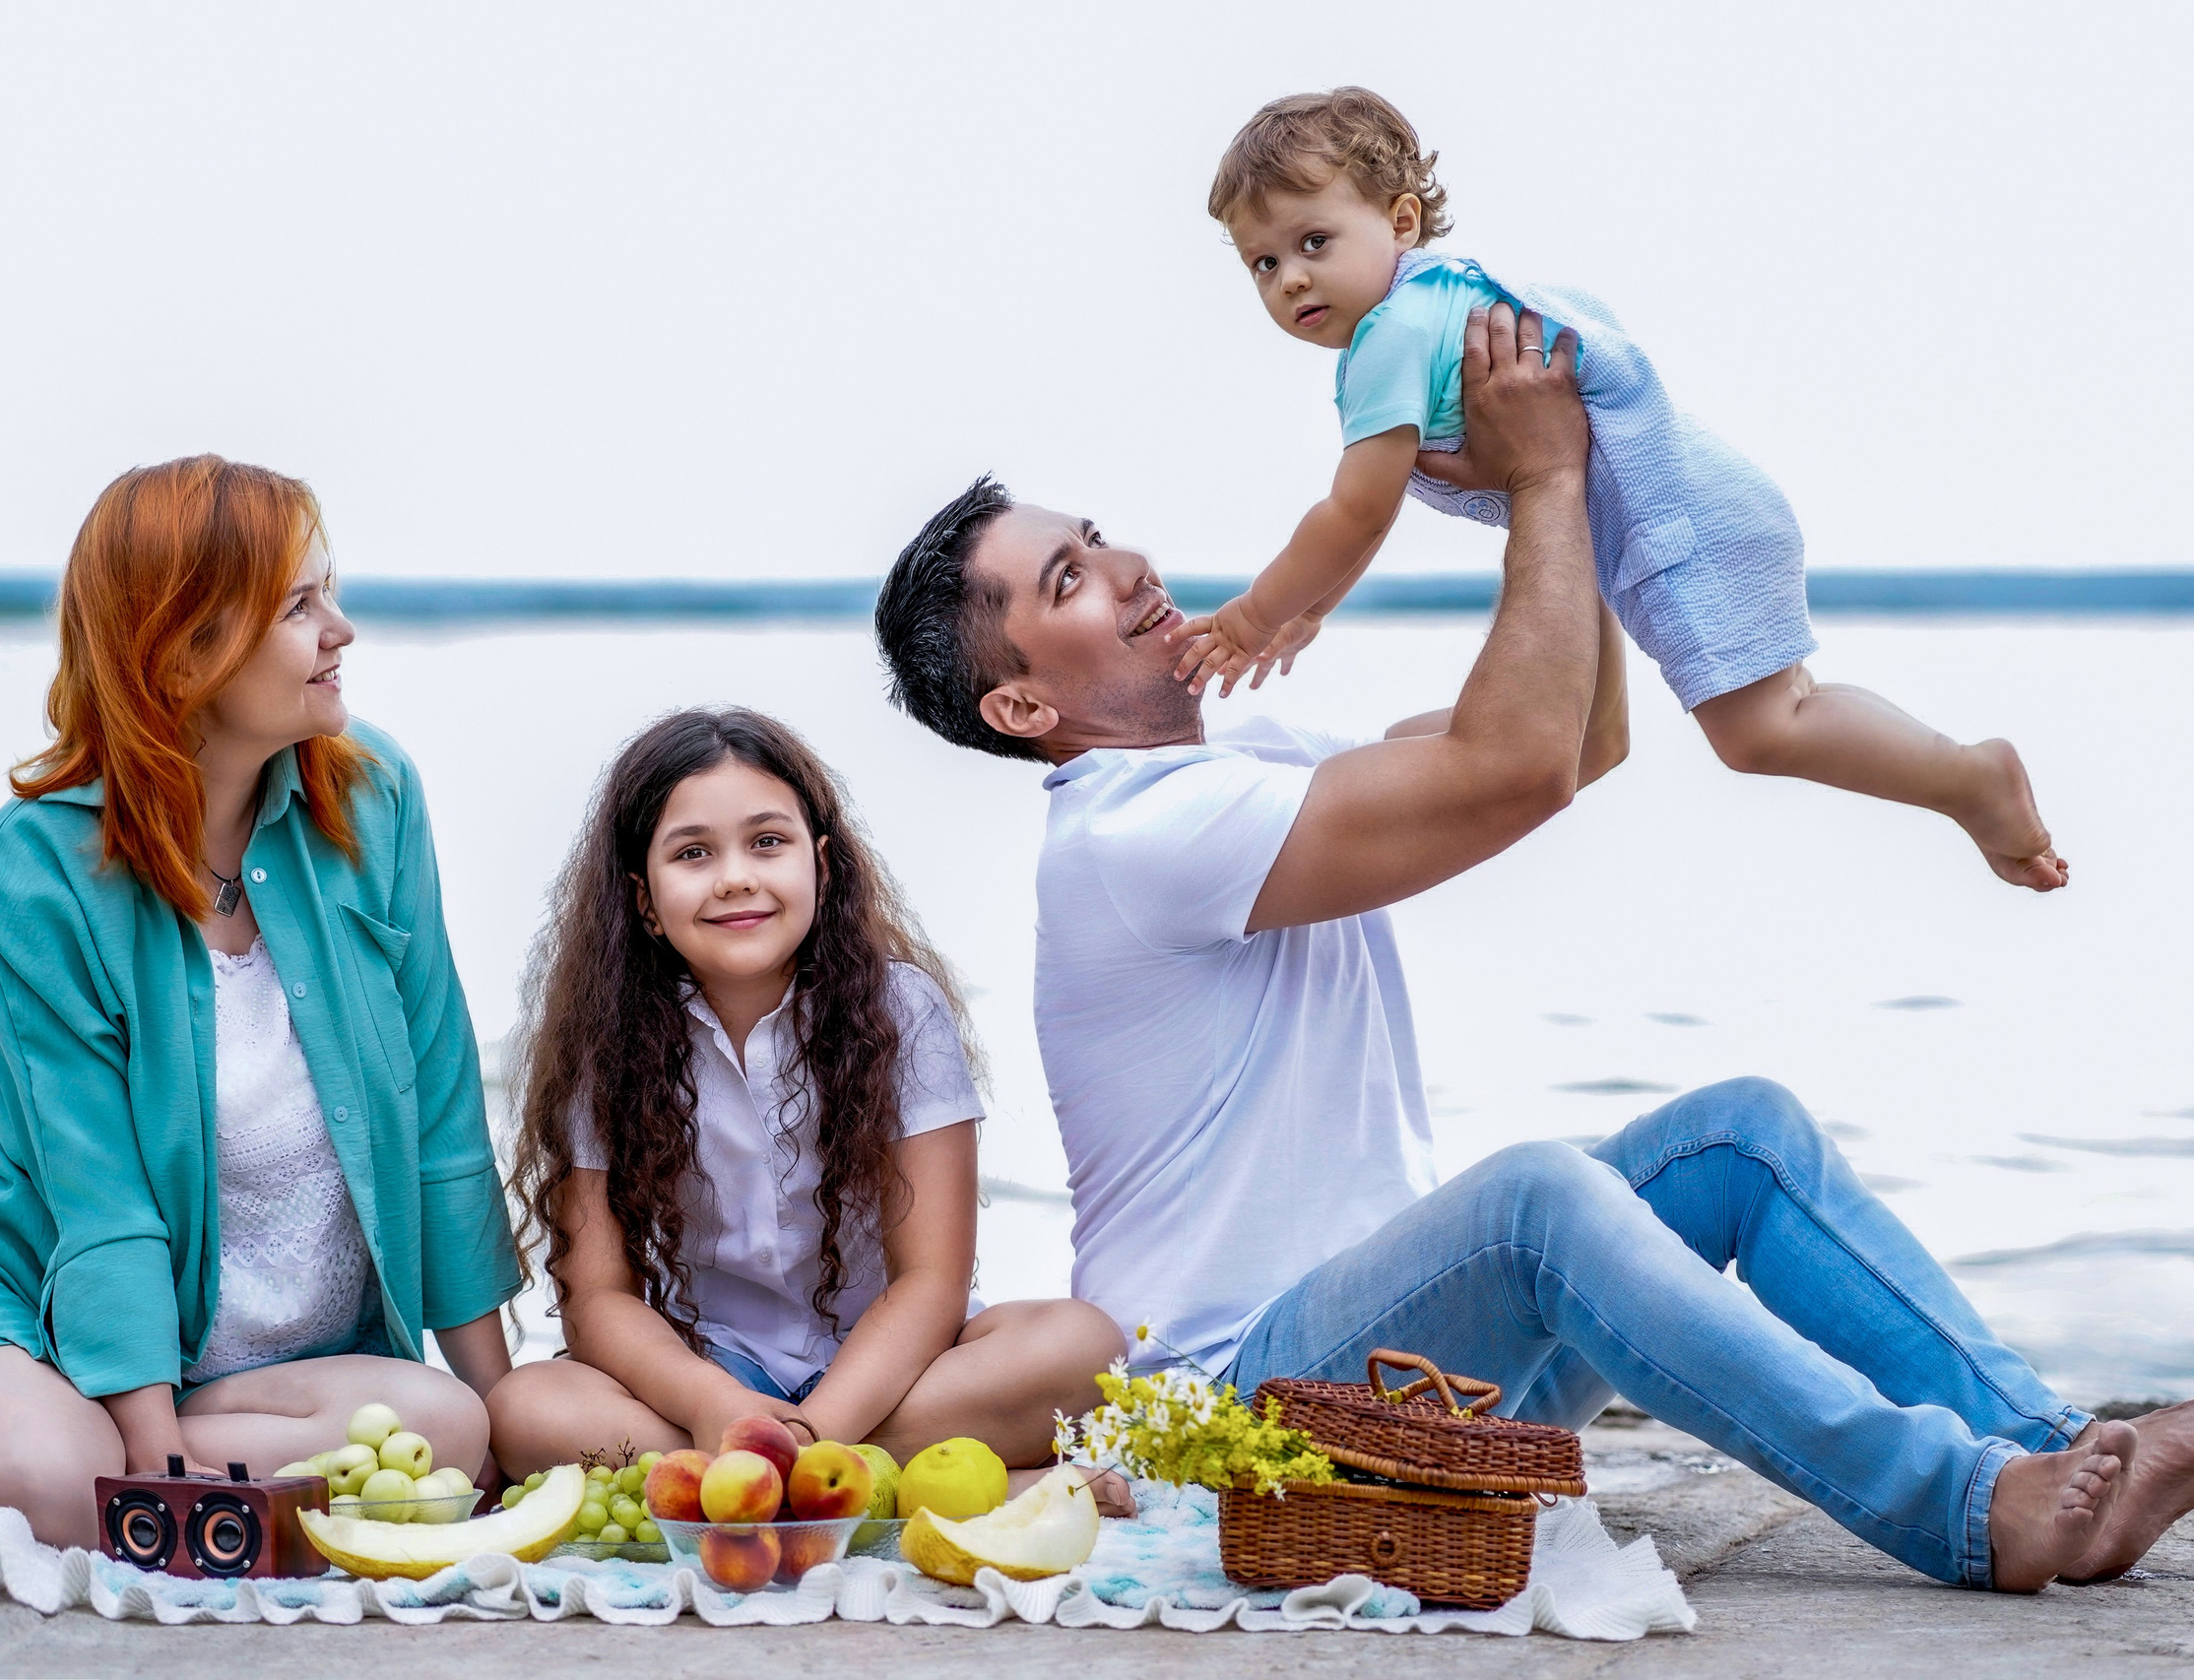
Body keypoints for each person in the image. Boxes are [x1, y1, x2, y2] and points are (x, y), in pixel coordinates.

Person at [872, 302, 2192, 1590]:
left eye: (1097, 541)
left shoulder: (1237, 765)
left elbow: (1574, 743)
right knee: (1537, 1197)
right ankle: (1967, 1508)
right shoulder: (1128, 837)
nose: (1129, 567)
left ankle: (2056, 1450)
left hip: (1418, 1375)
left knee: (1736, 1137)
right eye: (1072, 581)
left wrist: (1547, 495)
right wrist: (1545, 474)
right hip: (1247, 1409)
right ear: (1022, 699)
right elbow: (1513, 768)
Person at [0, 456, 521, 1553]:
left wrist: (504, 1413)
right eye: (301, 604)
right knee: (61, 1469)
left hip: (268, 1373)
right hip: (29, 1328)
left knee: (444, 1426)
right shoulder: (36, 867)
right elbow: (98, 1195)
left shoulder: (372, 796)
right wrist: (157, 1468)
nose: (343, 629)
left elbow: (445, 1114)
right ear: (186, 642)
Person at [1174, 86, 2065, 893]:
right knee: (1777, 709)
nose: (1290, 278)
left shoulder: (1391, 341)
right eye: (1262, 264)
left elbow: (1355, 511)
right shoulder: (1440, 297)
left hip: (1677, 530)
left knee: (1760, 733)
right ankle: (1964, 774)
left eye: (1313, 242)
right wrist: (1315, 607)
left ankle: (1967, 778)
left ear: (1400, 220)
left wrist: (1259, 616)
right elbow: (1362, 523)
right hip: (1700, 504)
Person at [487, 707, 1126, 1494]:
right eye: (692, 853)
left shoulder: (900, 1010)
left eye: (767, 842)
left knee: (1085, 1345)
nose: (735, 877)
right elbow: (597, 1299)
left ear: (821, 865)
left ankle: (762, 1485)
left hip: (893, 1368)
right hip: (710, 1376)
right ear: (644, 899)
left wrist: (806, 1435)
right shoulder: (604, 1042)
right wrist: (713, 1403)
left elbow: (931, 1281)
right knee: (526, 1409)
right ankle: (909, 1484)